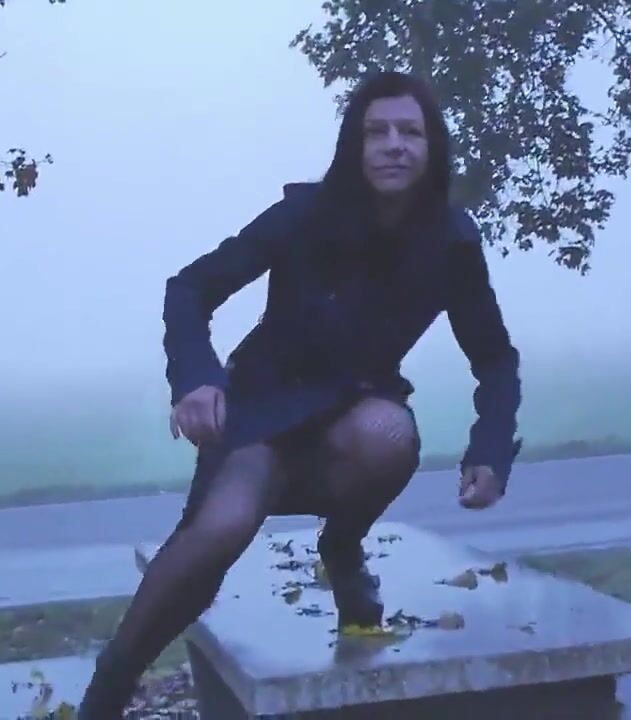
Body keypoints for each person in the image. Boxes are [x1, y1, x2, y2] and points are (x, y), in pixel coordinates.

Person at [76, 70, 523, 718]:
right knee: (220, 531)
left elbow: (494, 356)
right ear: (354, 146)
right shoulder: (303, 214)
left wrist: (490, 449)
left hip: (352, 412)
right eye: (376, 132)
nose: (393, 145)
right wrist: (196, 377)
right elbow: (190, 288)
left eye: (409, 132)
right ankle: (109, 687)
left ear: (432, 147)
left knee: (390, 433)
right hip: (263, 408)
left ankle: (341, 546)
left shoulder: (452, 241)